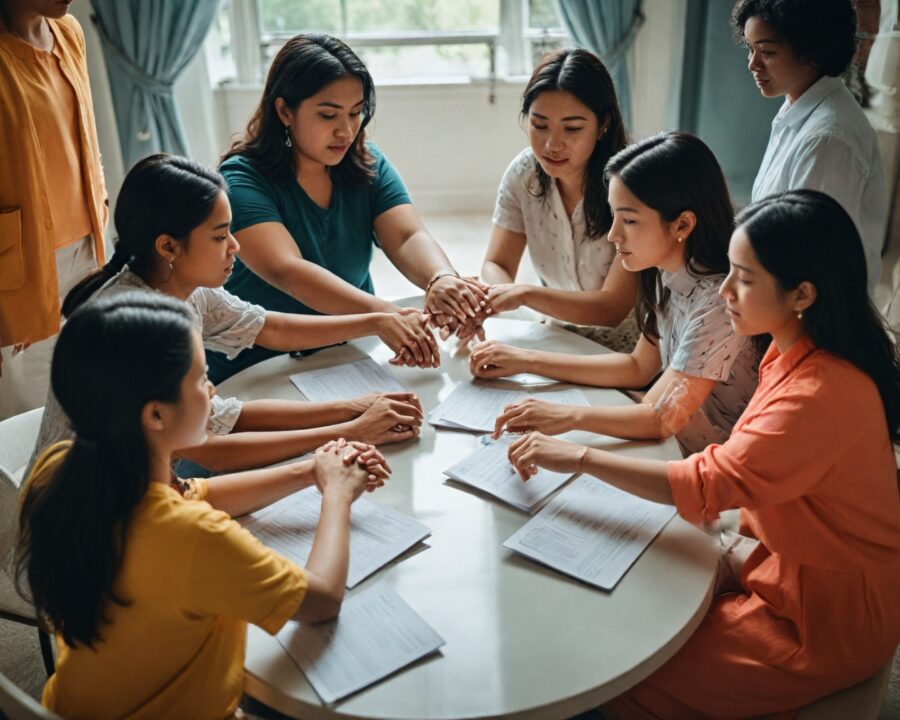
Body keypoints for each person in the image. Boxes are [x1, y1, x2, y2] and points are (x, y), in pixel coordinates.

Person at [504, 190, 900, 719]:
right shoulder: (793, 351)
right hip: (777, 561)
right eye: (730, 272)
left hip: (824, 620)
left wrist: (579, 457)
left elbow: (710, 483)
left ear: (802, 294)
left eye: (745, 279)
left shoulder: (821, 393)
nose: (726, 293)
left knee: (622, 671)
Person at [16, 293, 390, 718]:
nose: (211, 390)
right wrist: (338, 497)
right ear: (155, 415)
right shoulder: (192, 536)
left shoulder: (66, 471)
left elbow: (199, 491)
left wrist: (313, 472)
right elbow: (321, 599)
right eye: (200, 379)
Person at [29, 153, 428, 474]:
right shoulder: (136, 326)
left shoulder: (187, 288)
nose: (235, 246)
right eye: (220, 236)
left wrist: (354, 399)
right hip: (84, 524)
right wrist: (351, 430)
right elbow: (211, 449)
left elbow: (270, 328)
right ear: (168, 247)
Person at [214, 33, 487, 382]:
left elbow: (406, 235)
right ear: (284, 111)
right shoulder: (240, 179)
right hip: (257, 365)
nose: (346, 131)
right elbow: (288, 271)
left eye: (356, 113)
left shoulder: (367, 162)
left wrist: (441, 279)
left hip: (346, 354)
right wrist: (385, 315)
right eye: (328, 116)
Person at [471, 132, 759, 456]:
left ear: (682, 225)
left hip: (716, 466)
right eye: (614, 217)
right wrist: (523, 360)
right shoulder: (664, 271)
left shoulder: (720, 302)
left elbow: (659, 418)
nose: (613, 236)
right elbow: (637, 367)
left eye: (630, 220)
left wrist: (567, 416)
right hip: (674, 444)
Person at [478, 47, 638, 352]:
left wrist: (524, 295)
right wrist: (496, 295)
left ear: (603, 125)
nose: (552, 144)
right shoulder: (524, 173)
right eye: (539, 125)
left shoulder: (632, 184)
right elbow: (496, 263)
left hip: (631, 352)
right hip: (559, 336)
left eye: (573, 128)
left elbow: (612, 308)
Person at [0, 0, 107, 419]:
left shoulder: (69, 33)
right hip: (16, 277)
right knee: (28, 420)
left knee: (86, 404)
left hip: (87, 256)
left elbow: (83, 141)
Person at [735, 0, 886, 295]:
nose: (752, 64)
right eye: (749, 49)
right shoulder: (796, 107)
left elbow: (808, 257)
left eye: (767, 52)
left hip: (812, 315)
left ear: (812, 52)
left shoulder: (828, 139)